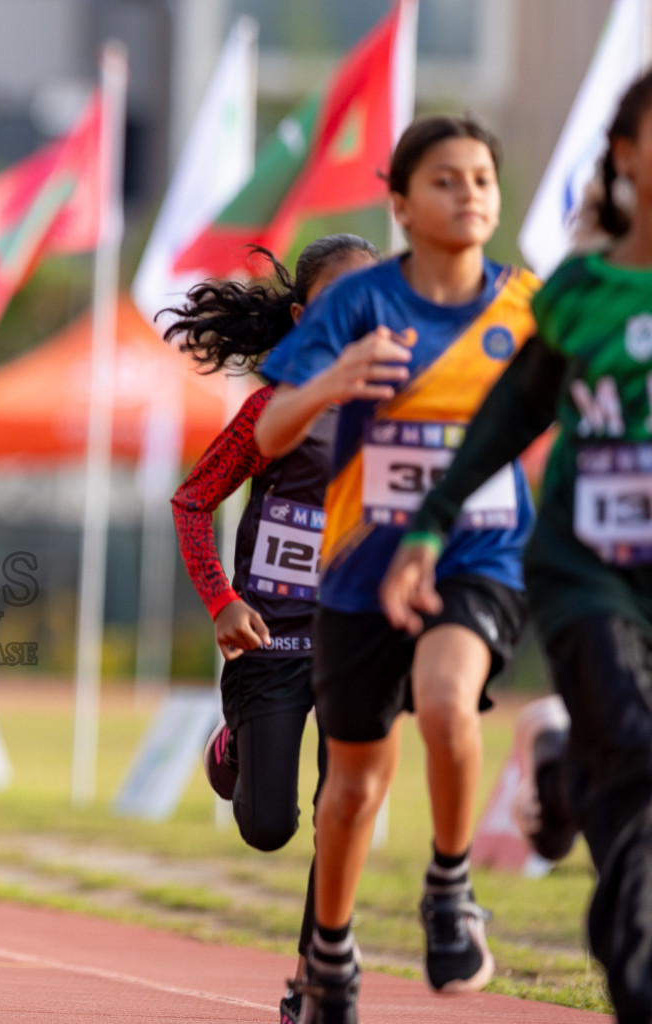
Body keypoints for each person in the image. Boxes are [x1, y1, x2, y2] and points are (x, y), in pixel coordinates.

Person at [253, 115, 538, 1022]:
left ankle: (450, 886)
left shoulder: (527, 308)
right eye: (447, 180)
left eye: (483, 179)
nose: (469, 195)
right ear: (402, 204)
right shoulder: (360, 304)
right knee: (352, 790)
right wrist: (334, 382)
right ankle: (329, 953)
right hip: (358, 572)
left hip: (478, 554)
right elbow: (268, 430)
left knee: (450, 699)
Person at [381, 72, 652, 1023]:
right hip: (589, 572)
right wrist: (430, 520)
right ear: (625, 156)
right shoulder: (580, 292)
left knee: (631, 783)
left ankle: (571, 773)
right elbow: (510, 415)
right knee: (639, 743)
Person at [166, 234, 381, 1024]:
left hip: (357, 640)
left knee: (341, 813)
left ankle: (312, 981)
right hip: (270, 639)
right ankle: (231, 748)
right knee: (267, 828)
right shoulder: (273, 407)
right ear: (304, 315)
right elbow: (192, 501)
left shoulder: (402, 409)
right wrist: (222, 599)